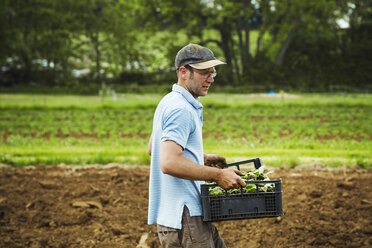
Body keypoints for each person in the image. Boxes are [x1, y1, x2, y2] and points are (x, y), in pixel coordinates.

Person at [147, 43, 246, 248]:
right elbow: (168, 162)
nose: (210, 79)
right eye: (204, 73)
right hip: (185, 218)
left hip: (188, 215)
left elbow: (154, 149)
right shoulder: (180, 109)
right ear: (184, 72)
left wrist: (201, 157)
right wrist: (218, 175)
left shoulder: (169, 101)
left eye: (212, 73)